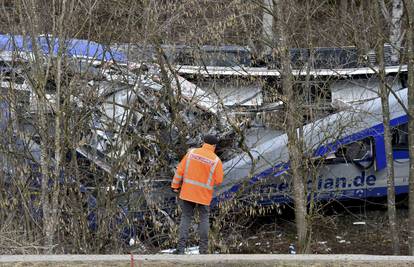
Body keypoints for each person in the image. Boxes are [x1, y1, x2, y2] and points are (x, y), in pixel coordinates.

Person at [171, 134, 224, 254]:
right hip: (203, 195)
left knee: (186, 218)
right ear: (214, 146)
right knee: (204, 219)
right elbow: (219, 180)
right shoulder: (216, 161)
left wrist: (174, 186)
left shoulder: (191, 153)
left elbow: (180, 170)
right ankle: (203, 250)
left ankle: (180, 249)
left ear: (203, 142)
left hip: (188, 192)